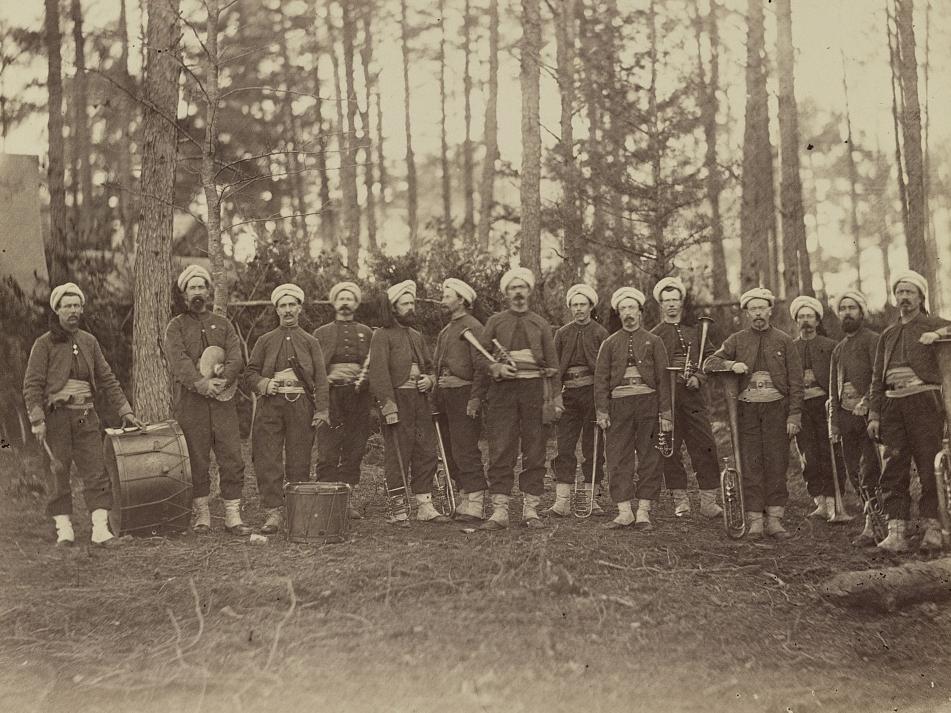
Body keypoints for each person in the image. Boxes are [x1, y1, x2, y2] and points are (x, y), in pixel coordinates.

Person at [23, 283, 144, 547]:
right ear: (57, 310)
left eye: (77, 306)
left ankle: (100, 530)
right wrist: (37, 420)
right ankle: (64, 530)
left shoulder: (89, 342)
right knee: (58, 472)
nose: (73, 311)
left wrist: (125, 410)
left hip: (86, 417)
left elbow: (108, 378)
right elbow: (32, 384)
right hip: (56, 419)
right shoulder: (43, 345)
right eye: (67, 306)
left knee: (96, 472)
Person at [703, 287, 803, 540]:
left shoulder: (784, 340)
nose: (758, 313)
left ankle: (775, 521)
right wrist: (731, 364)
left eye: (762, 308)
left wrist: (794, 416)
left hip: (777, 411)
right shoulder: (737, 340)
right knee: (751, 463)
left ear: (770, 310)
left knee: (776, 463)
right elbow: (709, 363)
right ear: (747, 313)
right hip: (747, 411)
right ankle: (755, 520)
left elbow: (796, 382)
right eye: (753, 309)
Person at [868, 270, 951, 553]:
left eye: (909, 292)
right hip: (892, 405)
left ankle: (933, 528)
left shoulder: (933, 323)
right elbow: (877, 377)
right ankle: (897, 532)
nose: (904, 297)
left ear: (920, 296)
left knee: (929, 465)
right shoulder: (888, 334)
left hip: (923, 403)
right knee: (893, 466)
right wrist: (875, 414)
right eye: (900, 292)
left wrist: (938, 333)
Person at [165, 265, 251, 535]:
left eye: (202, 287)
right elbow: (178, 361)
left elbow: (236, 355)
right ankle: (202, 515)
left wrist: (224, 378)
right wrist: (202, 384)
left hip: (224, 401)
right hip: (192, 403)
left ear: (209, 291)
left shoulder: (223, 324)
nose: (198, 292)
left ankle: (232, 516)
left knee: (232, 456)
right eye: (192, 288)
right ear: (184, 293)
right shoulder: (176, 327)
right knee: (196, 457)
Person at [478, 266, 563, 530]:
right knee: (501, 447)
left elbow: (553, 363)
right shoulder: (495, 321)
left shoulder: (540, 323)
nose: (518, 293)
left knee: (535, 449)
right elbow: (480, 355)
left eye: (522, 287)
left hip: (535, 392)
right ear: (506, 293)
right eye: (513, 288)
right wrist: (496, 368)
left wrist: (556, 398)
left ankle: (531, 510)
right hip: (503, 393)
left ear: (529, 292)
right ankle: (500, 511)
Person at [244, 283, 329, 534]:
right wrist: (264, 383)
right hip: (270, 405)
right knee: (268, 457)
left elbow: (322, 379)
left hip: (301, 405)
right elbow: (249, 373)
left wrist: (322, 409)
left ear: (300, 308)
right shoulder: (265, 340)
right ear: (276, 309)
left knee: (299, 458)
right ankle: (273, 513)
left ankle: (297, 510)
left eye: (293, 305)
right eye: (283, 305)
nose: (288, 310)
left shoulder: (311, 342)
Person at [368, 280, 449, 525]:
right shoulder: (381, 336)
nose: (410, 307)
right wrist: (388, 406)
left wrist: (429, 380)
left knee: (425, 451)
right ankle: (399, 510)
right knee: (398, 454)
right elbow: (378, 373)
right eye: (405, 304)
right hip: (398, 401)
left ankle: (425, 505)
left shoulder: (416, 335)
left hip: (420, 400)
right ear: (393, 308)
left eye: (412, 302)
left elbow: (428, 366)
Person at [594, 286, 672, 531]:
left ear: (640, 312)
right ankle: (625, 512)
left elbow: (663, 380)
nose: (628, 312)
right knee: (617, 456)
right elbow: (601, 380)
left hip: (648, 403)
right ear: (618, 313)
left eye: (632, 308)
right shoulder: (609, 343)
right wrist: (602, 411)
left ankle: (644, 512)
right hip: (619, 406)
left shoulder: (654, 341)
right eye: (623, 308)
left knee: (650, 456)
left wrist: (666, 414)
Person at [649, 276, 722, 519]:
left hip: (694, 399)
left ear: (681, 302)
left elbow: (711, 358)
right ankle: (681, 501)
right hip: (667, 399)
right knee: (669, 449)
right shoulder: (654, 335)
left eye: (675, 300)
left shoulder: (695, 331)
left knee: (705, 445)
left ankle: (709, 502)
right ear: (660, 304)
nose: (671, 304)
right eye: (666, 300)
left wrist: (699, 377)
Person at [545, 283, 608, 517]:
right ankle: (562, 501)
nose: (579, 309)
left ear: (591, 306)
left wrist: (603, 402)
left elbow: (606, 370)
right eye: (575, 305)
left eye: (583, 304)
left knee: (594, 448)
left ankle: (592, 499)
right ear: (570, 307)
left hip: (593, 395)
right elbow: (553, 369)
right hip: (568, 396)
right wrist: (556, 397)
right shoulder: (562, 334)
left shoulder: (601, 333)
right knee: (565, 446)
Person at [313, 281, 373, 519]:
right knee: (327, 449)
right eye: (341, 298)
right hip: (330, 397)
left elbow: (373, 365)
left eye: (350, 299)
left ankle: (346, 501)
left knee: (354, 448)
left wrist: (365, 382)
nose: (345, 303)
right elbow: (314, 368)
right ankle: (327, 501)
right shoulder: (321, 333)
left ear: (356, 304)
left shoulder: (367, 333)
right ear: (334, 303)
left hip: (358, 397)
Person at [828, 289, 883, 546]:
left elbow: (878, 376)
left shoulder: (873, 341)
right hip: (846, 417)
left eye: (852, 308)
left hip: (867, 417)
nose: (847, 313)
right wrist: (834, 422)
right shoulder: (838, 349)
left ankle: (877, 524)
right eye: (843, 309)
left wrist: (870, 404)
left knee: (870, 469)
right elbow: (832, 388)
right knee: (853, 472)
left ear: (861, 311)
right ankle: (871, 517)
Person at [432, 277, 489, 522]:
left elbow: (481, 368)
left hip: (464, 395)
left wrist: (475, 399)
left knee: (465, 448)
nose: (443, 300)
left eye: (447, 296)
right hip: (444, 396)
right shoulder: (446, 330)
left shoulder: (473, 327)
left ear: (462, 300)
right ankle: (464, 499)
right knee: (450, 450)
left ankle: (476, 504)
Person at [789, 295, 839, 520]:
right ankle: (819, 500)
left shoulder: (830, 347)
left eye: (810, 316)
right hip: (801, 406)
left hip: (825, 405)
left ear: (818, 320)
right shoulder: (790, 348)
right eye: (801, 317)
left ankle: (834, 500)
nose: (806, 320)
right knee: (808, 453)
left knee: (829, 451)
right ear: (796, 321)